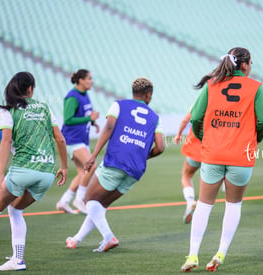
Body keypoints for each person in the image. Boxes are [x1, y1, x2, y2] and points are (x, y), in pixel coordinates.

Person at [181, 47, 263, 272]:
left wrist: (205, 138)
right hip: (241, 156)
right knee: (233, 205)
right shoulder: (256, 88)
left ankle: (192, 255)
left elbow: (197, 118)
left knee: (204, 204)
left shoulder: (211, 85)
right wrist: (254, 140)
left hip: (212, 154)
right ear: (245, 65)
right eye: (251, 63)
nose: (251, 67)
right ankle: (221, 252)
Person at [0, 72, 68, 271]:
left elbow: (6, 141)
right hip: (47, 173)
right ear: (30, 89)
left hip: (23, 169)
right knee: (15, 209)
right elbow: (60, 139)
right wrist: (64, 167)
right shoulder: (45, 107)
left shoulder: (8, 111)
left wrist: (0, 174)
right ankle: (18, 259)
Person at [64, 77, 164, 252]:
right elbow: (161, 147)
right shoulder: (155, 117)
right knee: (100, 205)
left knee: (89, 200)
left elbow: (108, 128)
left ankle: (109, 237)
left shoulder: (118, 105)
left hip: (116, 162)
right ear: (148, 95)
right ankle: (76, 239)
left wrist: (93, 155)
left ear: (134, 93)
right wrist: (142, 157)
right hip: (135, 171)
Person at [56, 69, 100, 214]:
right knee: (91, 166)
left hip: (81, 138)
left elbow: (84, 115)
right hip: (72, 139)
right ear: (80, 80)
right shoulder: (72, 97)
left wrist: (93, 123)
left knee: (83, 172)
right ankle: (80, 199)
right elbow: (68, 119)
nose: (91, 81)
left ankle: (64, 201)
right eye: (89, 78)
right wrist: (89, 119)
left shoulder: (85, 95)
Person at [173, 111, 202, 224]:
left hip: (195, 148)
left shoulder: (199, 103)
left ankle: (190, 202)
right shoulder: (221, 106)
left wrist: (178, 134)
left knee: (187, 175)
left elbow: (185, 120)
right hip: (213, 150)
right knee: (209, 179)